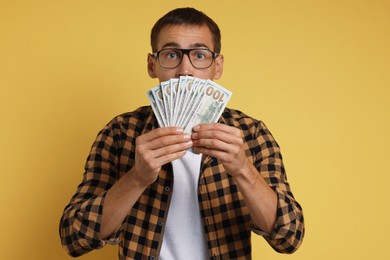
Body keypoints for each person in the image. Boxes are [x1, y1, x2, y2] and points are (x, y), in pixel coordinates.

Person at [59, 7, 304, 259]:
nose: (185, 70)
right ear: (152, 65)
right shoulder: (120, 132)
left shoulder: (251, 134)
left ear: (217, 67)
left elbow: (289, 237)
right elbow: (74, 239)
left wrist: (243, 169)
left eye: (199, 55)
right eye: (172, 54)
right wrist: (137, 178)